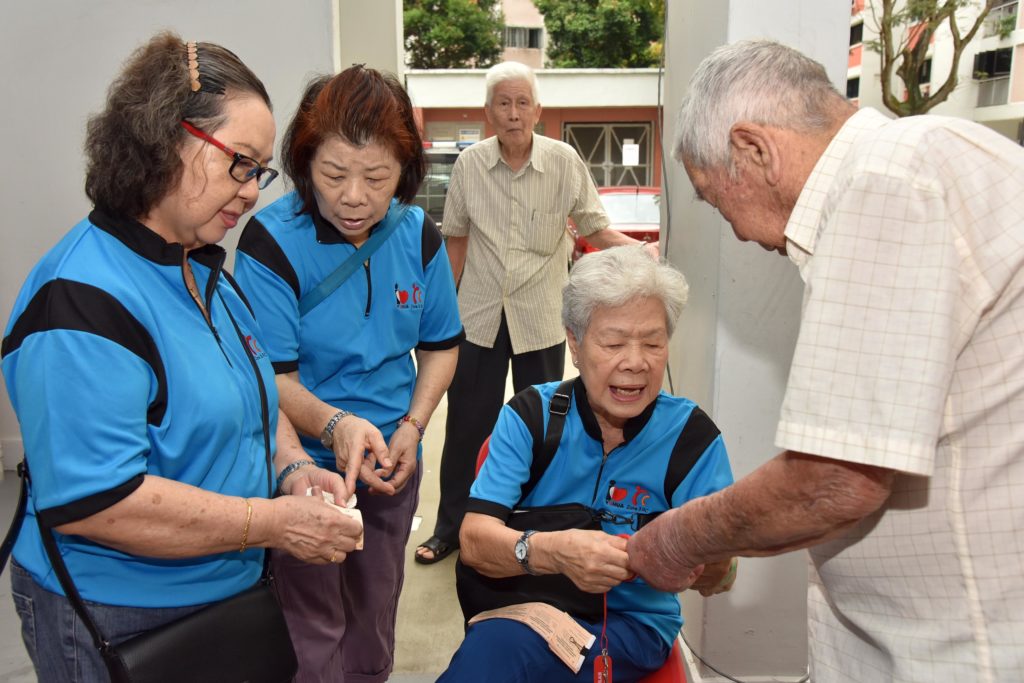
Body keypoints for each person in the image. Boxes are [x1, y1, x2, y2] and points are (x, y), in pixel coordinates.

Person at [627, 39, 1024, 682]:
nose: (734, 231)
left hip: (958, 652)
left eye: (713, 196)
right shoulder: (928, 156)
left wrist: (675, 538)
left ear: (754, 150)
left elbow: (835, 479)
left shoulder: (882, 185)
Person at [0, 33, 364, 683]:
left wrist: (289, 467)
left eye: (260, 171)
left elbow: (254, 393)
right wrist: (276, 522)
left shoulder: (203, 271)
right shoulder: (82, 302)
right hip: (122, 614)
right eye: (240, 164)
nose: (253, 191)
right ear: (167, 140)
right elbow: (99, 502)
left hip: (224, 587)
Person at [233, 65, 463, 683]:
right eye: (334, 175)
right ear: (306, 166)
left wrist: (414, 426)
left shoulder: (417, 235)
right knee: (311, 626)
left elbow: (442, 345)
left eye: (377, 177)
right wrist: (334, 427)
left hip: (389, 465)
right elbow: (269, 376)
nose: (354, 196)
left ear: (406, 174)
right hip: (304, 463)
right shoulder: (271, 242)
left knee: (374, 613)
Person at [438, 246, 736, 682]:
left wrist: (695, 561)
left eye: (653, 343)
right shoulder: (530, 416)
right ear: (574, 345)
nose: (635, 362)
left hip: (631, 628)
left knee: (498, 654)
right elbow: (476, 542)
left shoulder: (692, 438)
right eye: (614, 343)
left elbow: (722, 576)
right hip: (524, 609)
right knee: (502, 648)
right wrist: (554, 552)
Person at [417, 61, 660, 564]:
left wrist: (643, 253)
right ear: (488, 113)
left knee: (546, 427)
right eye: (502, 104)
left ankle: (529, 525)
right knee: (467, 425)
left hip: (541, 316)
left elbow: (595, 229)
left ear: (537, 110)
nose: (512, 113)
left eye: (521, 103)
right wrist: (437, 313)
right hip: (479, 316)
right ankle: (451, 528)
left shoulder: (565, 162)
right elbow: (455, 245)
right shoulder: (469, 166)